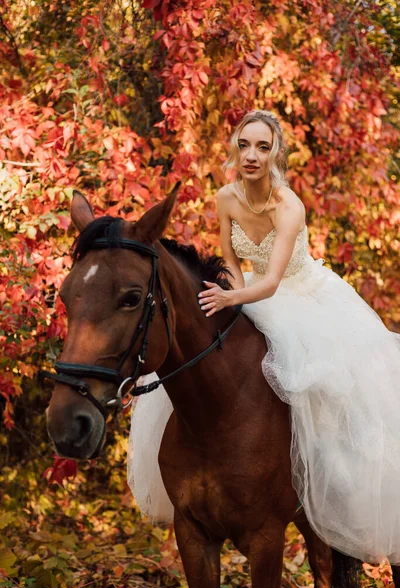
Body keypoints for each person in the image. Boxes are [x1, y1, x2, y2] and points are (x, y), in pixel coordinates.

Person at [128, 110, 400, 564]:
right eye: (245, 145)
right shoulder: (226, 197)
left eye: (263, 147)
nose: (252, 156)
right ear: (234, 149)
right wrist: (232, 291)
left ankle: (326, 464)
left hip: (302, 295)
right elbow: (231, 260)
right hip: (249, 289)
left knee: (316, 379)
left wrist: (237, 300)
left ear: (276, 154)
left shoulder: (288, 205)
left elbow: (274, 281)